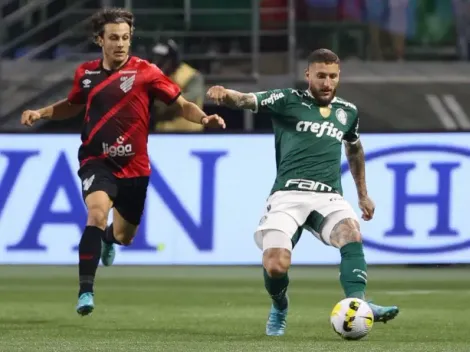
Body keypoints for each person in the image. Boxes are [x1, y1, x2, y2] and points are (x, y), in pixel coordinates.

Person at [20, 7, 225, 316]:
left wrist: (204, 117)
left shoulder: (146, 72)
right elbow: (72, 105)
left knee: (123, 235)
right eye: (113, 38)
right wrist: (42, 113)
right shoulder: (86, 74)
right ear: (99, 40)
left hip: (135, 168)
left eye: (126, 38)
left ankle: (108, 239)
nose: (120, 44)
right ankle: (86, 291)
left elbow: (181, 104)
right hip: (96, 162)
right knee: (96, 214)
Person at [206, 48, 398, 336]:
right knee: (275, 265)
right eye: (321, 76)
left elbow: (354, 148)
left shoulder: (348, 112)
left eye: (333, 76)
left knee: (351, 233)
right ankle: (280, 306)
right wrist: (225, 94)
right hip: (288, 195)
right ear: (308, 74)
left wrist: (362, 194)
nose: (327, 83)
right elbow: (247, 100)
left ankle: (359, 304)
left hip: (328, 196)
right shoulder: (287, 100)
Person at [150, 39, 205, 132]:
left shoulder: (191, 76)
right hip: (162, 133)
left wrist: (163, 103)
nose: (158, 62)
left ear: (173, 59)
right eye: (156, 58)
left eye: (163, 59)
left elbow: (187, 101)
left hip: (188, 133)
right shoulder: (155, 76)